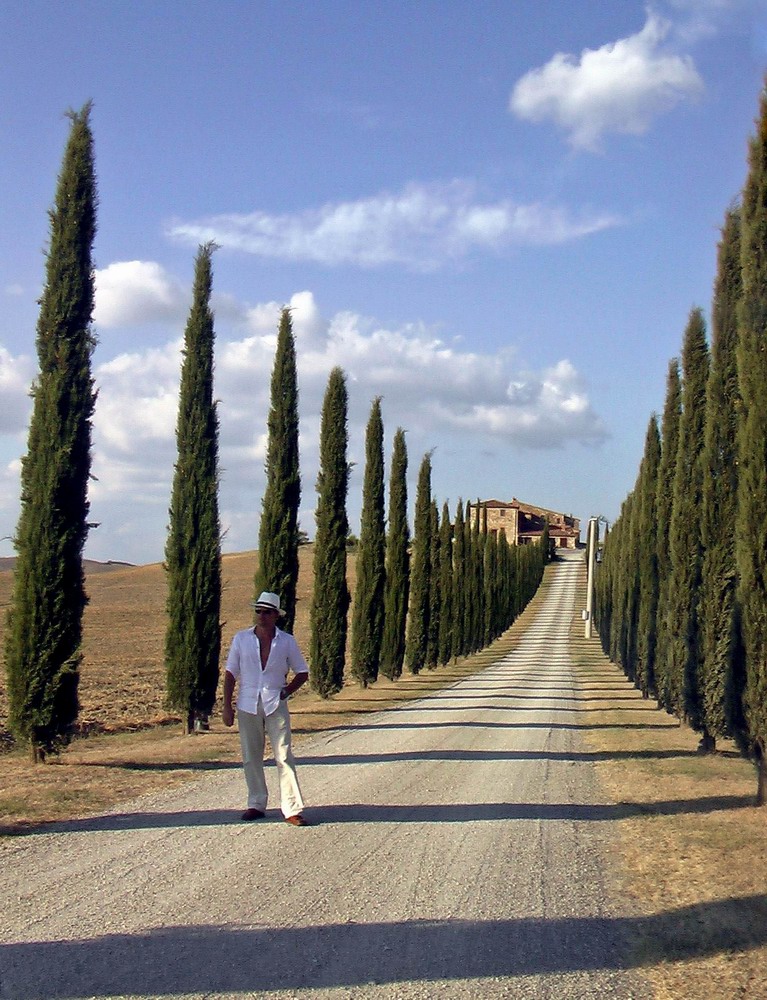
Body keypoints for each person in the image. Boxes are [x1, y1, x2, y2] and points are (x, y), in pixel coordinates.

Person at [223, 591, 310, 826]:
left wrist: (287, 691)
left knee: (283, 755)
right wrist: (226, 706)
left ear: (275, 616)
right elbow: (231, 673)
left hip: (275, 702)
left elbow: (302, 672)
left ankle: (291, 808)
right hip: (247, 702)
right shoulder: (241, 639)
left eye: (266, 612)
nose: (261, 616)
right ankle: (256, 803)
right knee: (251, 756)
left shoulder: (286, 641)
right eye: (258, 611)